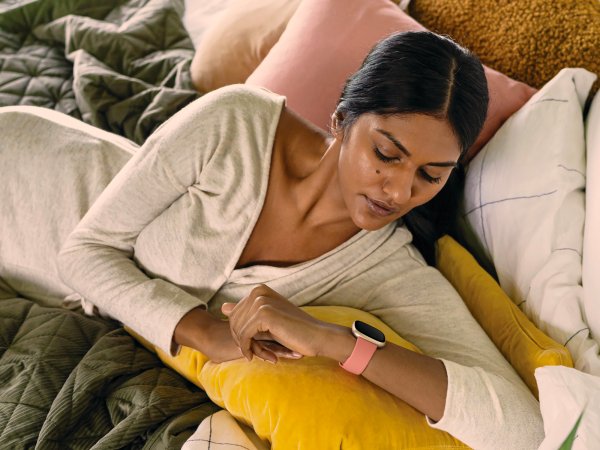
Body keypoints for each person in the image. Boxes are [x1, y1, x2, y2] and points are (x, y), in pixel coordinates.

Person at [0, 31, 544, 448]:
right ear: (341, 120)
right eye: (386, 153)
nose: (399, 189)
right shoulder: (236, 120)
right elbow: (85, 250)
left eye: (431, 174)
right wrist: (204, 331)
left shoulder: (388, 268)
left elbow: (523, 430)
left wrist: (337, 343)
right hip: (28, 173)